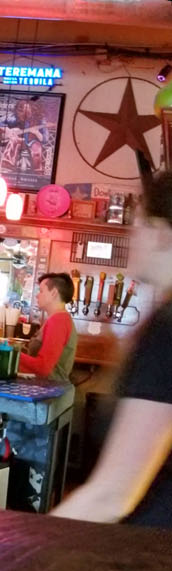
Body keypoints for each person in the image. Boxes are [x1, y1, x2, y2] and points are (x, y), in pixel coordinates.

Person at [54, 171, 172, 527]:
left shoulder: (167, 333)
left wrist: (17, 550)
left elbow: (114, 494)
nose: (130, 235)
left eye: (138, 224)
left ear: (163, 234)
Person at [19, 272, 77, 382]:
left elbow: (43, 367)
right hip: (47, 389)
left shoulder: (59, 321)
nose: (37, 295)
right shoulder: (58, 318)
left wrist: (10, 352)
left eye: (41, 291)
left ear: (54, 293)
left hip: (51, 394)